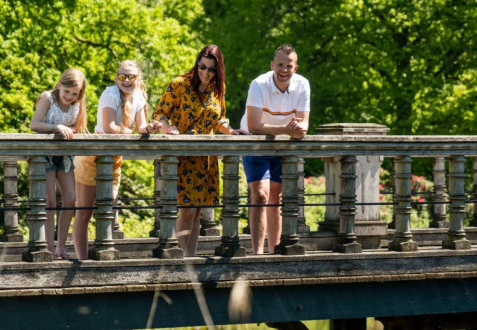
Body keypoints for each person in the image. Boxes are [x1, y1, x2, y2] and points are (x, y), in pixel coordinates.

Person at [153, 44, 247, 257]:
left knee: (197, 213)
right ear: (196, 65)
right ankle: (181, 260)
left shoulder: (217, 89)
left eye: (211, 69)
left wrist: (231, 132)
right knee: (186, 210)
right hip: (183, 158)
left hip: (206, 159)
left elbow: (219, 119)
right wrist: (168, 129)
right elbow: (159, 114)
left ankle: (190, 259)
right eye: (202, 67)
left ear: (217, 70)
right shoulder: (178, 85)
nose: (205, 72)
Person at [72, 60, 157, 259]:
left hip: (114, 157)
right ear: (116, 78)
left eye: (131, 77)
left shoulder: (139, 96)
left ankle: (104, 254)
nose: (126, 80)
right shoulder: (110, 94)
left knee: (109, 207)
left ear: (138, 78)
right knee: (84, 212)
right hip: (93, 156)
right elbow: (109, 127)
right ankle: (82, 259)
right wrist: (129, 131)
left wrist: (151, 128)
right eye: (122, 76)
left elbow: (141, 126)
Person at [240, 44, 310, 254]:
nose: (284, 69)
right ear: (272, 65)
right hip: (255, 142)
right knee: (260, 195)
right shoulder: (259, 84)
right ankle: (257, 254)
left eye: (288, 65)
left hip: (281, 145)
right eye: (280, 64)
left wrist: (298, 129)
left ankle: (274, 252)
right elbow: (254, 125)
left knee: (275, 197)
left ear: (295, 68)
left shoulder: (303, 85)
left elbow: (304, 125)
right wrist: (287, 130)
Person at [30, 68, 87, 260]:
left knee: (70, 198)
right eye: (67, 91)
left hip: (64, 156)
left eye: (75, 93)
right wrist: (57, 127)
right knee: (50, 201)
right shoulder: (48, 98)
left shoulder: (78, 103)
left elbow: (77, 126)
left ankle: (61, 246)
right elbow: (35, 124)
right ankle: (48, 247)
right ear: (59, 85)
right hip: (44, 155)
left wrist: (69, 129)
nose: (70, 96)